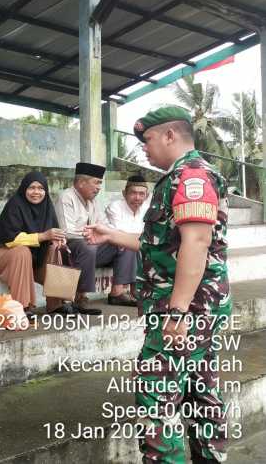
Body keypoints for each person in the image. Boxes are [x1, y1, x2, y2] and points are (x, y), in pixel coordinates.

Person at [84, 106, 231, 464]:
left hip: (184, 311)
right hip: (196, 311)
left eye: (147, 140)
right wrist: (112, 234)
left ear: (170, 135)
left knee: (155, 397)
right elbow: (162, 244)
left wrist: (178, 312)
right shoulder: (183, 176)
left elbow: (196, 242)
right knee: (200, 394)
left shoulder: (191, 176)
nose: (144, 150)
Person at [0, 172, 67, 316]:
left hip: (27, 260)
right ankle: (22, 306)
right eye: (31, 188)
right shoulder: (15, 204)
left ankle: (55, 304)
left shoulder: (47, 207)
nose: (36, 192)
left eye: (40, 188)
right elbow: (10, 239)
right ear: (24, 189)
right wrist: (43, 236)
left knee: (53, 249)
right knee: (22, 251)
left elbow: (51, 236)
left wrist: (58, 240)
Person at [54, 162, 137, 314]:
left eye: (100, 183)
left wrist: (114, 235)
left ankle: (117, 293)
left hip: (91, 248)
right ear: (80, 182)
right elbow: (66, 232)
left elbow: (104, 226)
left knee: (123, 242)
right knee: (87, 246)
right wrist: (91, 234)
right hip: (71, 248)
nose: (99, 187)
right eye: (96, 182)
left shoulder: (93, 201)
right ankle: (80, 297)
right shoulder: (66, 197)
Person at [104, 174, 151, 305]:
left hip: (132, 247)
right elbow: (120, 234)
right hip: (111, 248)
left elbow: (148, 234)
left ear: (146, 196)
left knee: (144, 245)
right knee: (128, 244)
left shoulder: (147, 209)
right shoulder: (115, 207)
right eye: (133, 193)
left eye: (142, 194)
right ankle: (117, 292)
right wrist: (138, 236)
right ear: (124, 193)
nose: (137, 197)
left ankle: (136, 292)